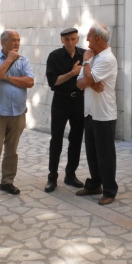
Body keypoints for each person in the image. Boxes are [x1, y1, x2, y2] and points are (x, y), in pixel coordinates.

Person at [0, 30, 34, 202]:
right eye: (13, 40)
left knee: (12, 150)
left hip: (18, 111)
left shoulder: (24, 61)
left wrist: (6, 76)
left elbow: (29, 82)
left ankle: (7, 181)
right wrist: (9, 60)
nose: (17, 43)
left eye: (18, 40)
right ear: (3, 43)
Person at [76, 23, 118, 206]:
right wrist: (90, 82)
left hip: (104, 114)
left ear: (98, 39)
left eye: (89, 36)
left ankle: (109, 190)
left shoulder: (106, 59)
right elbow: (79, 83)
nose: (86, 40)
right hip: (90, 112)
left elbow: (88, 78)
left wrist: (86, 65)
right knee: (92, 152)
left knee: (105, 154)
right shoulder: (94, 57)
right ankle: (95, 184)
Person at [44, 28, 86, 193]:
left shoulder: (84, 55)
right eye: (67, 39)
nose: (70, 42)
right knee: (57, 139)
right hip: (61, 100)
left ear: (77, 39)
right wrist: (72, 73)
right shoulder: (54, 56)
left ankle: (70, 174)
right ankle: (52, 177)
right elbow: (53, 82)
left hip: (79, 100)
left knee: (76, 139)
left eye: (73, 39)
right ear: (62, 40)